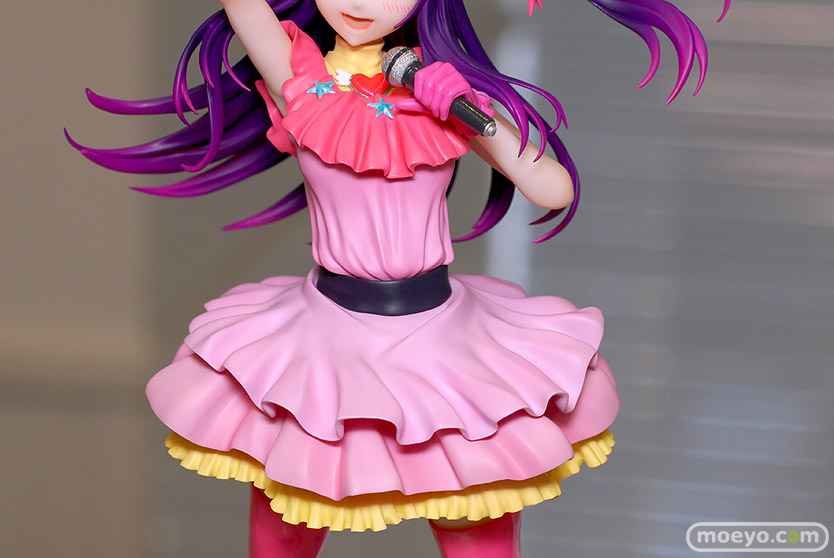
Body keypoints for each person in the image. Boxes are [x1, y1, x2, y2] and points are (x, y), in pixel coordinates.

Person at [70, 0, 730, 556]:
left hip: (442, 339)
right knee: (287, 518)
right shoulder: (298, 75)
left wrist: (465, 106)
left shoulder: (442, 93)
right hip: (323, 338)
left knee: (477, 517)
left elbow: (551, 188)